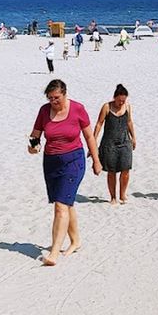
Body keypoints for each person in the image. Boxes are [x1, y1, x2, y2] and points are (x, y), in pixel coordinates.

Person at [29, 79, 101, 266]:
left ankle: (53, 252)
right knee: (66, 204)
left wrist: (96, 160)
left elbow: (89, 136)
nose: (53, 102)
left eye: (57, 98)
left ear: (65, 94)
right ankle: (75, 241)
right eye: (50, 98)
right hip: (51, 162)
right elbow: (35, 136)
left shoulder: (77, 109)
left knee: (61, 206)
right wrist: (33, 147)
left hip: (73, 161)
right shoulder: (44, 111)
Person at [93, 84, 136, 205]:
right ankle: (113, 197)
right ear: (114, 98)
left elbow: (129, 122)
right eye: (119, 100)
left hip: (124, 142)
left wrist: (134, 138)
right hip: (109, 144)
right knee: (111, 171)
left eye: (123, 100)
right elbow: (99, 123)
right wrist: (94, 139)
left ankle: (122, 194)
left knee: (126, 169)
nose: (121, 103)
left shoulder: (127, 106)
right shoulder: (106, 107)